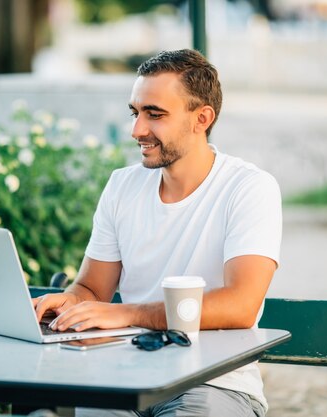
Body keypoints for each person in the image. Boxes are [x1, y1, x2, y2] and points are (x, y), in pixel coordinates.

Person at [33, 49, 282, 417]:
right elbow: (92, 289)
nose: (137, 130)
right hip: (124, 377)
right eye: (135, 113)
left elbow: (240, 306)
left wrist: (126, 313)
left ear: (202, 118)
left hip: (213, 384)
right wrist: (68, 304)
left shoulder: (249, 188)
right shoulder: (122, 185)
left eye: (155, 114)